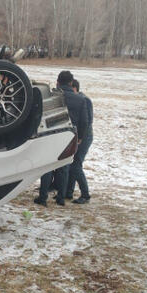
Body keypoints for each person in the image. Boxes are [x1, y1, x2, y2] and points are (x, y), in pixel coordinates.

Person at [34, 70, 88, 207]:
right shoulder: (81, 99)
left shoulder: (50, 96)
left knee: (47, 165)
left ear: (58, 81)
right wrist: (80, 137)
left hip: (51, 133)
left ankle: (43, 197)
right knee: (64, 166)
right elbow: (85, 121)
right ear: (71, 82)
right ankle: (61, 198)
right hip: (69, 135)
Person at [64, 78, 94, 204]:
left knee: (76, 164)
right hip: (78, 136)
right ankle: (68, 192)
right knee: (71, 162)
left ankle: (85, 194)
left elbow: (88, 121)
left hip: (84, 137)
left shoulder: (84, 100)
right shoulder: (79, 99)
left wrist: (81, 137)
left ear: (75, 88)